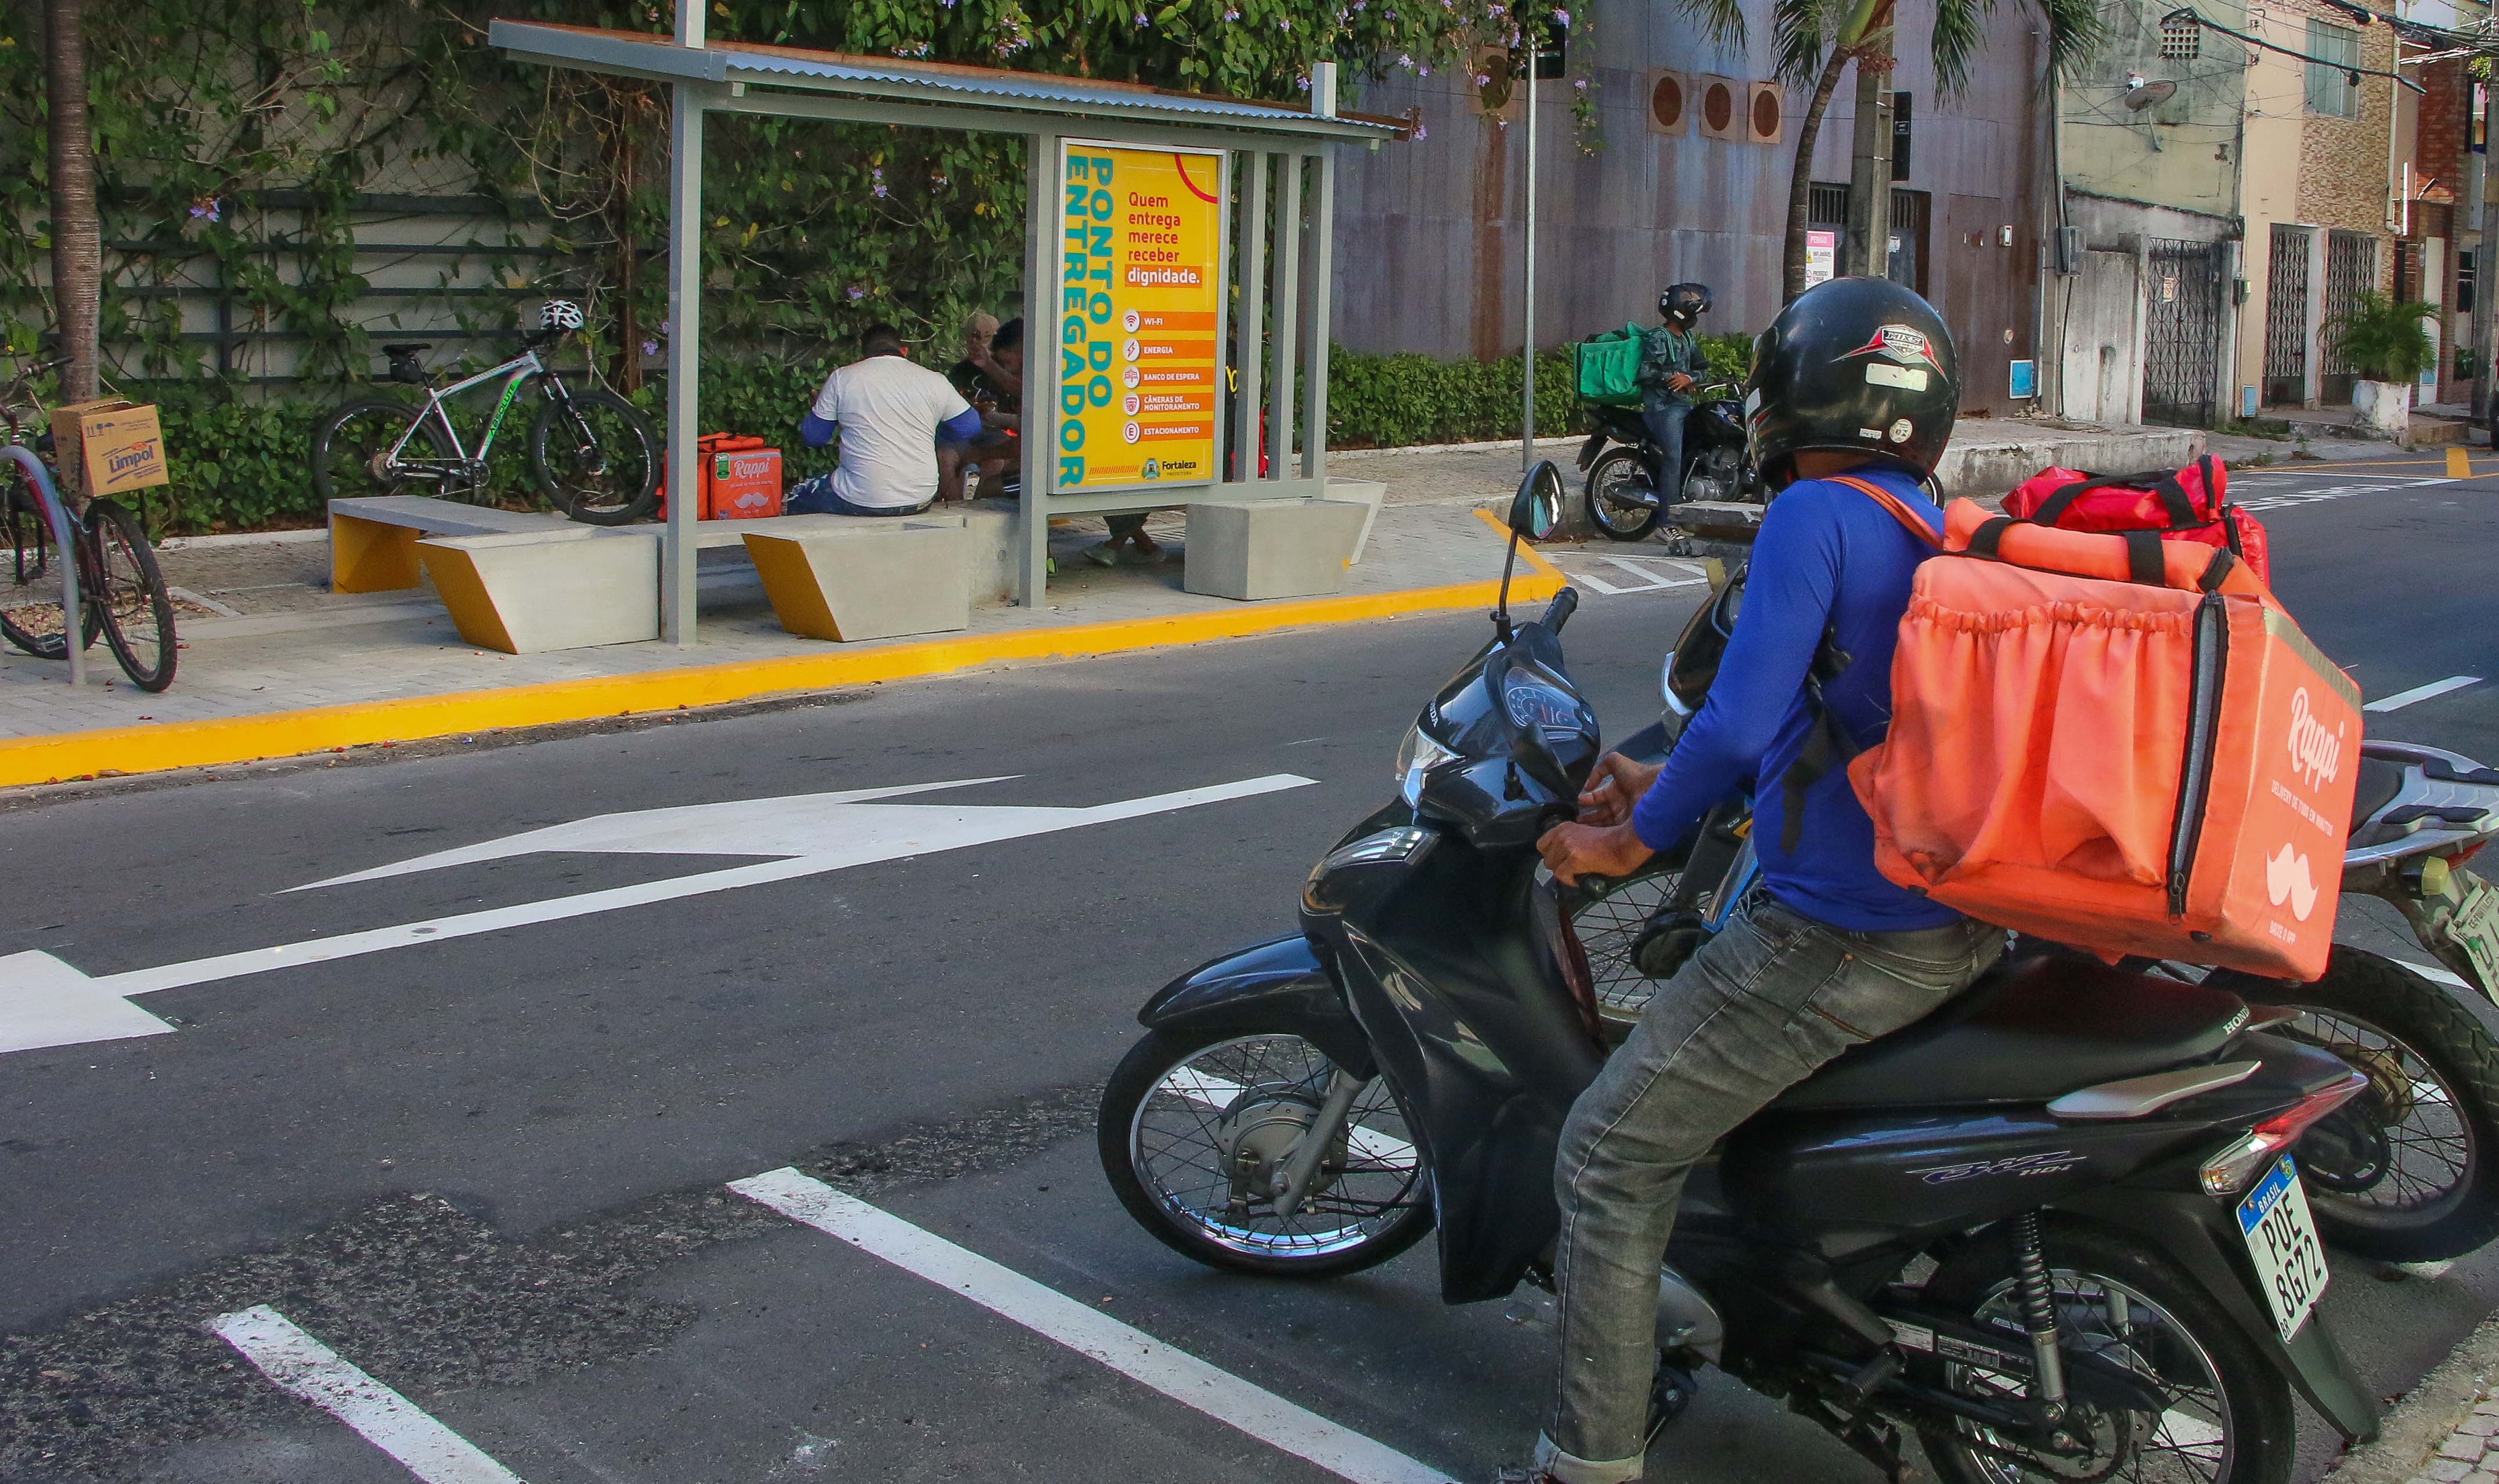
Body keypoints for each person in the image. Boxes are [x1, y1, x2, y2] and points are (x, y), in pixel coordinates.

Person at [1493, 277, 2006, 1484]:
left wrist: (1629, 842)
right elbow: (1807, 721)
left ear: (1795, 392)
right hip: (1950, 914)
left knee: (1608, 1155)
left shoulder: (1809, 517)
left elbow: (1735, 724)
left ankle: (1586, 1463)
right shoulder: (1921, 520)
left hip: (1840, 937)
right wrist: (1646, 776)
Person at [788, 323, 982, 517]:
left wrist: (823, 411)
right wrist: (928, 428)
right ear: (904, 351)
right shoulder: (935, 380)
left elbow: (814, 437)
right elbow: (971, 427)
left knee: (797, 497)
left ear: (863, 355)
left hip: (861, 498)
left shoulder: (843, 378)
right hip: (922, 498)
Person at [1635, 283, 1711, 507]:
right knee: (1673, 458)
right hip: (1662, 408)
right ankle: (1667, 521)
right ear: (1680, 311)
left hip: (1683, 406)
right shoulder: (1660, 337)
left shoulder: (1687, 339)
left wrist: (1691, 378)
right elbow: (1645, 372)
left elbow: (1704, 368)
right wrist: (1674, 377)